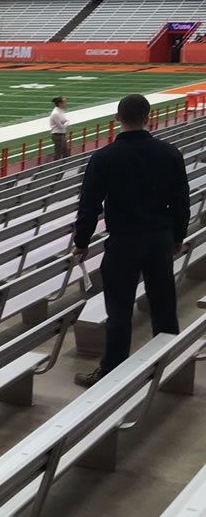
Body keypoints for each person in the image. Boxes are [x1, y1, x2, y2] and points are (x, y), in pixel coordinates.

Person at [71, 94, 190, 387]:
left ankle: (112, 373)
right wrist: (177, 236)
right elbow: (181, 201)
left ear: (117, 117)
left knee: (119, 311)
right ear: (148, 117)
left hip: (123, 241)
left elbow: (89, 204)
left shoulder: (104, 157)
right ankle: (169, 366)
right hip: (159, 238)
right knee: (164, 306)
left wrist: (82, 241)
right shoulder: (169, 153)